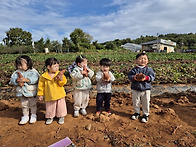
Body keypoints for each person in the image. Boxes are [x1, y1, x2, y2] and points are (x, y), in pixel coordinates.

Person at [10, 55, 40, 125]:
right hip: (22, 92)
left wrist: (26, 80)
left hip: (31, 92)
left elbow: (35, 79)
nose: (20, 67)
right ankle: (25, 116)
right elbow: (12, 80)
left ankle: (33, 115)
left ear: (28, 64)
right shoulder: (16, 72)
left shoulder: (33, 71)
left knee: (33, 104)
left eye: (21, 65)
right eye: (18, 65)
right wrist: (17, 81)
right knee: (24, 105)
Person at [37, 57, 67, 125]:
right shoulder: (43, 76)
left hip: (60, 94)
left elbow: (62, 84)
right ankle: (50, 117)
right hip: (49, 95)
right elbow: (41, 86)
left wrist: (61, 79)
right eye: (55, 66)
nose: (57, 68)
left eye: (58, 66)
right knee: (50, 107)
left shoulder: (59, 74)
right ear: (48, 67)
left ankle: (61, 116)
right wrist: (40, 94)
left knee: (61, 106)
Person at [128, 52, 155, 123]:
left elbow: (152, 77)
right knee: (136, 102)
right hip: (135, 89)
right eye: (140, 59)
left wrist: (145, 78)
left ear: (147, 60)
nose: (143, 60)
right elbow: (129, 76)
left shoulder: (149, 69)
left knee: (146, 102)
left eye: (144, 59)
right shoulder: (134, 69)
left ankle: (146, 114)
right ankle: (137, 113)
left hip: (146, 89)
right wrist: (134, 78)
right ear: (136, 61)